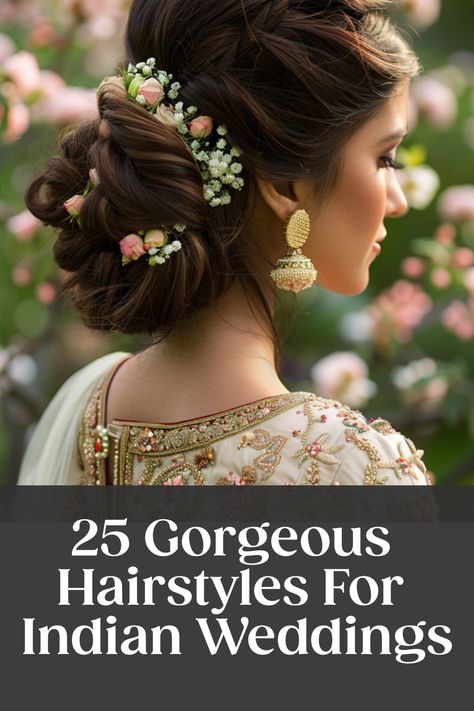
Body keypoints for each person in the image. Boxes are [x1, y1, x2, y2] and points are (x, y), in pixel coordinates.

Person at [18, 0, 431, 486]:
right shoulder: (354, 467)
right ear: (284, 186)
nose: (399, 201)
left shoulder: (88, 408)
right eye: (385, 159)